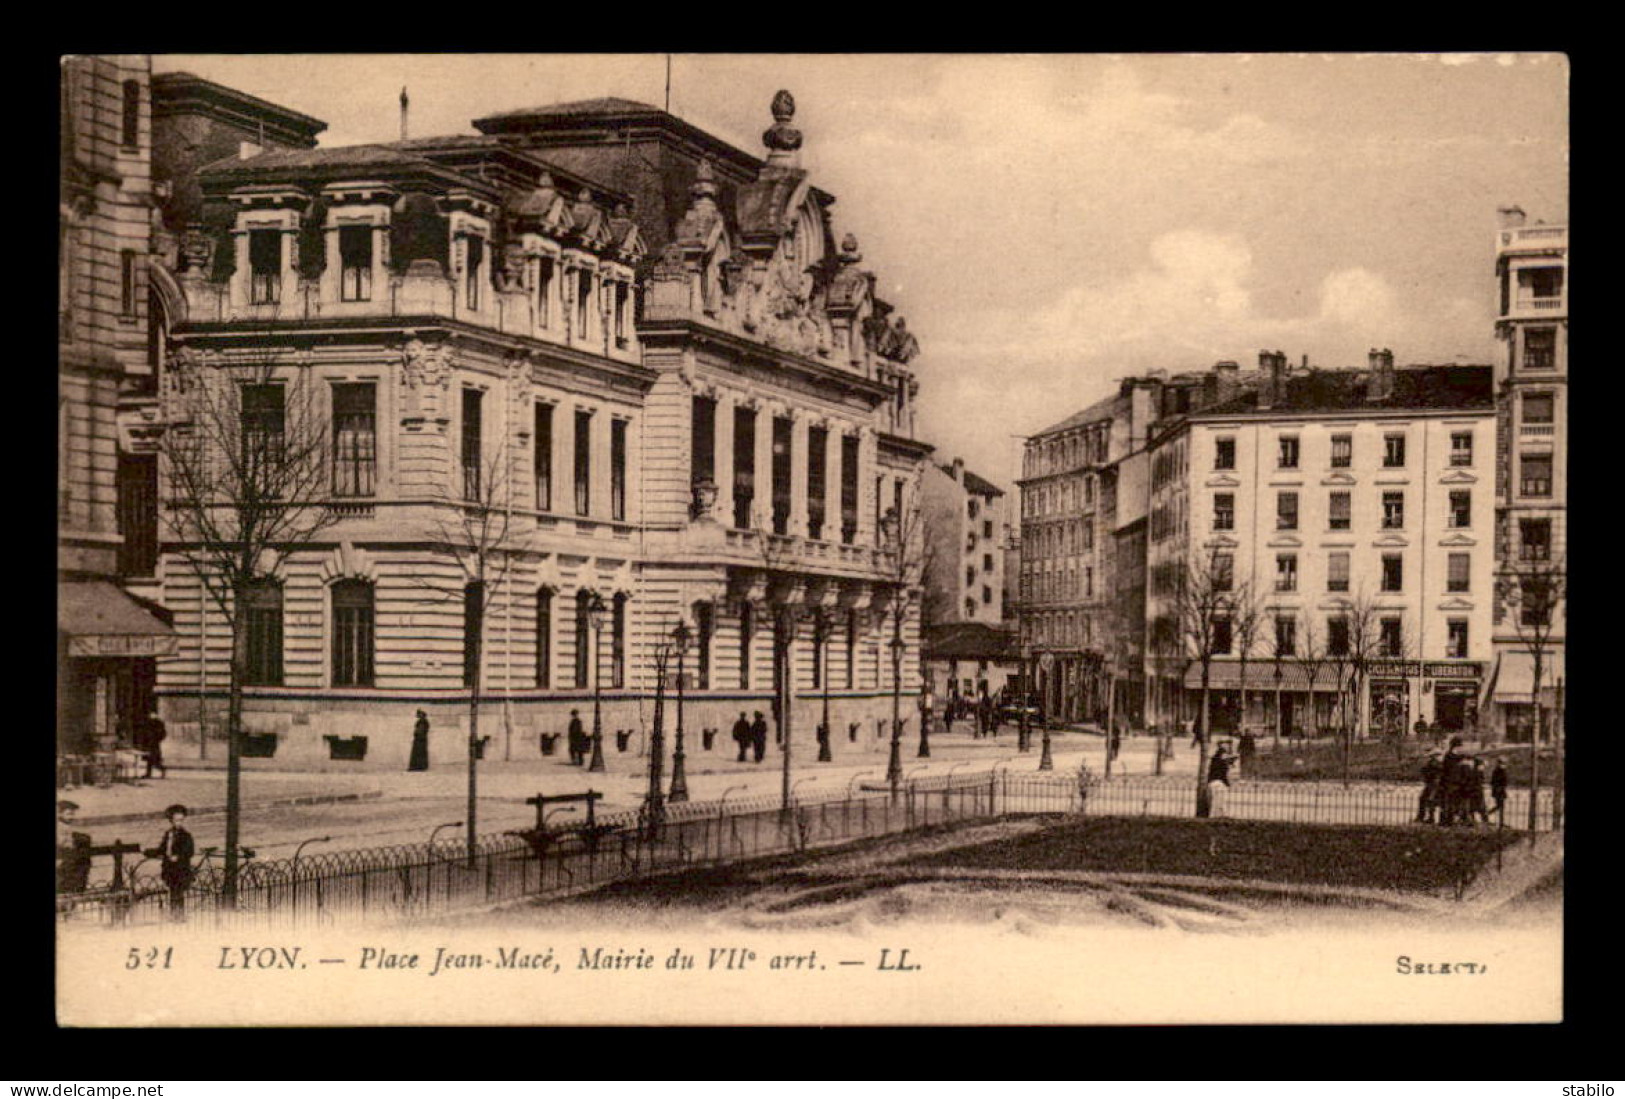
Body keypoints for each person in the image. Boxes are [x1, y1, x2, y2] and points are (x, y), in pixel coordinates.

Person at [147, 804, 195, 920]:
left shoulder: (186, 835)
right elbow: (162, 849)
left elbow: (189, 851)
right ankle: (174, 913)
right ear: (171, 821)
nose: (179, 823)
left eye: (181, 820)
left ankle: (180, 914)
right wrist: (148, 852)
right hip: (169, 868)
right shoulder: (168, 834)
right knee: (173, 891)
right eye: (176, 820)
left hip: (181, 868)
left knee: (179, 891)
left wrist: (178, 857)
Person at [56, 800, 92, 895]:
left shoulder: (65, 827)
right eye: (68, 814)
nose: (72, 817)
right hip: (63, 862)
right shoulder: (60, 827)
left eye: (73, 814)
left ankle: (76, 888)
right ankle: (77, 889)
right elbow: (63, 844)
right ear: (60, 814)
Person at [1206, 742, 1235, 818]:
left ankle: (1215, 815)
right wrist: (1228, 784)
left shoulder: (1215, 759)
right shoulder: (1222, 763)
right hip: (1219, 783)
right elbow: (1224, 775)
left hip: (1212, 781)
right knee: (1220, 801)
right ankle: (1219, 815)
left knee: (1215, 802)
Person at [137, 710, 167, 779]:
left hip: (155, 744)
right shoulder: (148, 723)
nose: (151, 715)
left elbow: (163, 734)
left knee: (155, 760)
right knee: (149, 760)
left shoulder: (159, 723)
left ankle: (162, 770)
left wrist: (157, 739)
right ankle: (148, 774)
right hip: (149, 744)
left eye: (152, 714)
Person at [1417, 749, 1443, 824]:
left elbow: (1436, 775)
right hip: (1431, 785)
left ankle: (1429, 817)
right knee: (1424, 799)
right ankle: (1424, 816)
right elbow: (1425, 773)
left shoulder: (1437, 764)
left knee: (1430, 800)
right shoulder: (1432, 764)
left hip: (1435, 786)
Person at [1469, 758, 1491, 825]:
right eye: (1482, 766)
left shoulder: (1475, 772)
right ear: (1479, 765)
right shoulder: (1477, 773)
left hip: (1475, 792)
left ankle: (1474, 820)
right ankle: (1485, 821)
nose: (1483, 767)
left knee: (1474, 808)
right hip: (1477, 793)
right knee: (1481, 808)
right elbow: (1477, 783)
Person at [1490, 759, 1509, 824]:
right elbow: (1504, 781)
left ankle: (1501, 821)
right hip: (1499, 791)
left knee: (1500, 806)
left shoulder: (1497, 771)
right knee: (1500, 806)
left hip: (1498, 791)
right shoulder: (1500, 771)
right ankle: (1488, 814)